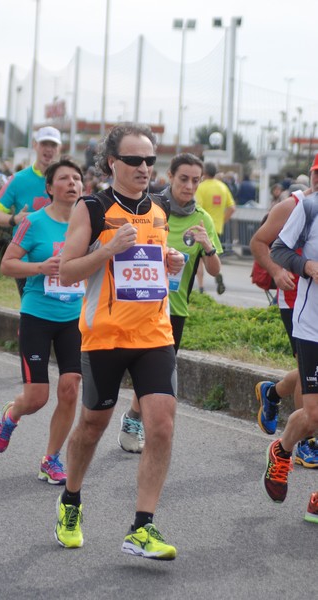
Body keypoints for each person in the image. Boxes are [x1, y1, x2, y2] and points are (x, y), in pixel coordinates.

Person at [54, 123, 183, 559]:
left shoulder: (160, 211)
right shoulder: (92, 208)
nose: (144, 167)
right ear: (113, 163)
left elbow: (154, 266)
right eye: (134, 160)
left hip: (154, 334)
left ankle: (142, 527)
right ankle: (70, 500)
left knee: (161, 424)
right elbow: (67, 270)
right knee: (92, 426)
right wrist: (107, 250)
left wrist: (173, 263)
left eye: (150, 160)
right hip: (105, 337)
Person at [118, 153, 222, 453]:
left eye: (195, 181)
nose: (189, 186)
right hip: (136, 304)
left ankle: (135, 419)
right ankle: (122, 416)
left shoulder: (202, 218)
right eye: (183, 179)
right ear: (170, 177)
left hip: (173, 311)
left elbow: (214, 271)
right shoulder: (149, 208)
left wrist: (207, 246)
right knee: (130, 369)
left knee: (153, 375)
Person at [0, 158, 84, 484]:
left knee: (70, 389)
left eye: (77, 178)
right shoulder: (33, 222)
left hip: (75, 317)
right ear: (49, 188)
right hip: (38, 315)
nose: (72, 183)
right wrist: (40, 268)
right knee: (37, 397)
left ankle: (51, 459)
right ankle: (11, 415)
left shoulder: (89, 225)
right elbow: (7, 264)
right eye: (64, 178)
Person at [250, 155, 318, 467]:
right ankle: (306, 442)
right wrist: (277, 273)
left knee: (306, 371)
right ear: (311, 173)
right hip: (294, 299)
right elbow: (260, 242)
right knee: (308, 375)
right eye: (317, 173)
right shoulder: (293, 206)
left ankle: (272, 393)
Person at [263, 187, 318, 522]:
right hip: (313, 326)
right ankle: (281, 449)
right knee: (312, 417)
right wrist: (307, 265)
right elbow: (279, 250)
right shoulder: (310, 208)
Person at [0, 126, 62, 297]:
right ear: (35, 145)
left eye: (53, 145)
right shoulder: (18, 179)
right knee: (31, 311)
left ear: (59, 149)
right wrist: (14, 219)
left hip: (60, 258)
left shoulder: (68, 180)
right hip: (25, 261)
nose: (49, 150)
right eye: (45, 144)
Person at [195, 161, 236, 294]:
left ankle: (200, 287)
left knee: (199, 260)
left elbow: (197, 208)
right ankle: (218, 274)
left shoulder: (201, 187)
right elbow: (232, 207)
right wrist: (221, 221)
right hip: (216, 229)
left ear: (204, 173)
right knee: (212, 256)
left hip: (201, 227)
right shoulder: (223, 187)